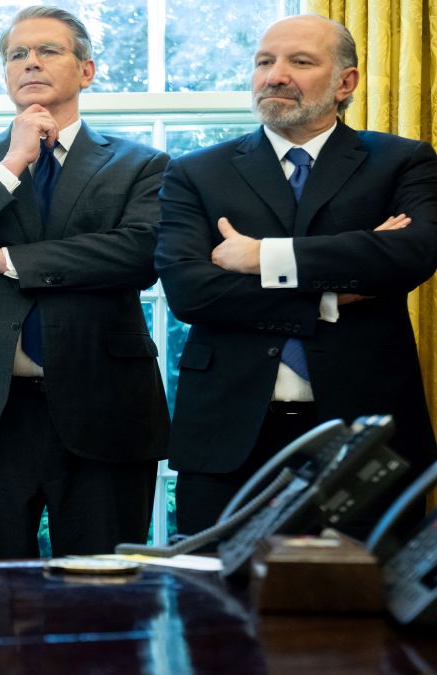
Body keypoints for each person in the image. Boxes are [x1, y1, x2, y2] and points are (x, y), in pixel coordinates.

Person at [0, 6, 169, 559]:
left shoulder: (142, 165)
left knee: (105, 602)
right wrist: (12, 163)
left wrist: (1, 260)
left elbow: (139, 253)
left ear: (87, 71)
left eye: (49, 51)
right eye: (18, 54)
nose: (30, 62)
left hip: (104, 404)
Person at [156, 15, 437, 535]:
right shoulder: (196, 171)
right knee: (220, 605)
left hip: (365, 431)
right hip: (226, 437)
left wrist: (262, 257)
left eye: (300, 62)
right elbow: (191, 292)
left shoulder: (401, 161)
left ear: (345, 83)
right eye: (264, 62)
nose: (275, 75)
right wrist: (329, 297)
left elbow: (412, 254)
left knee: (362, 609)